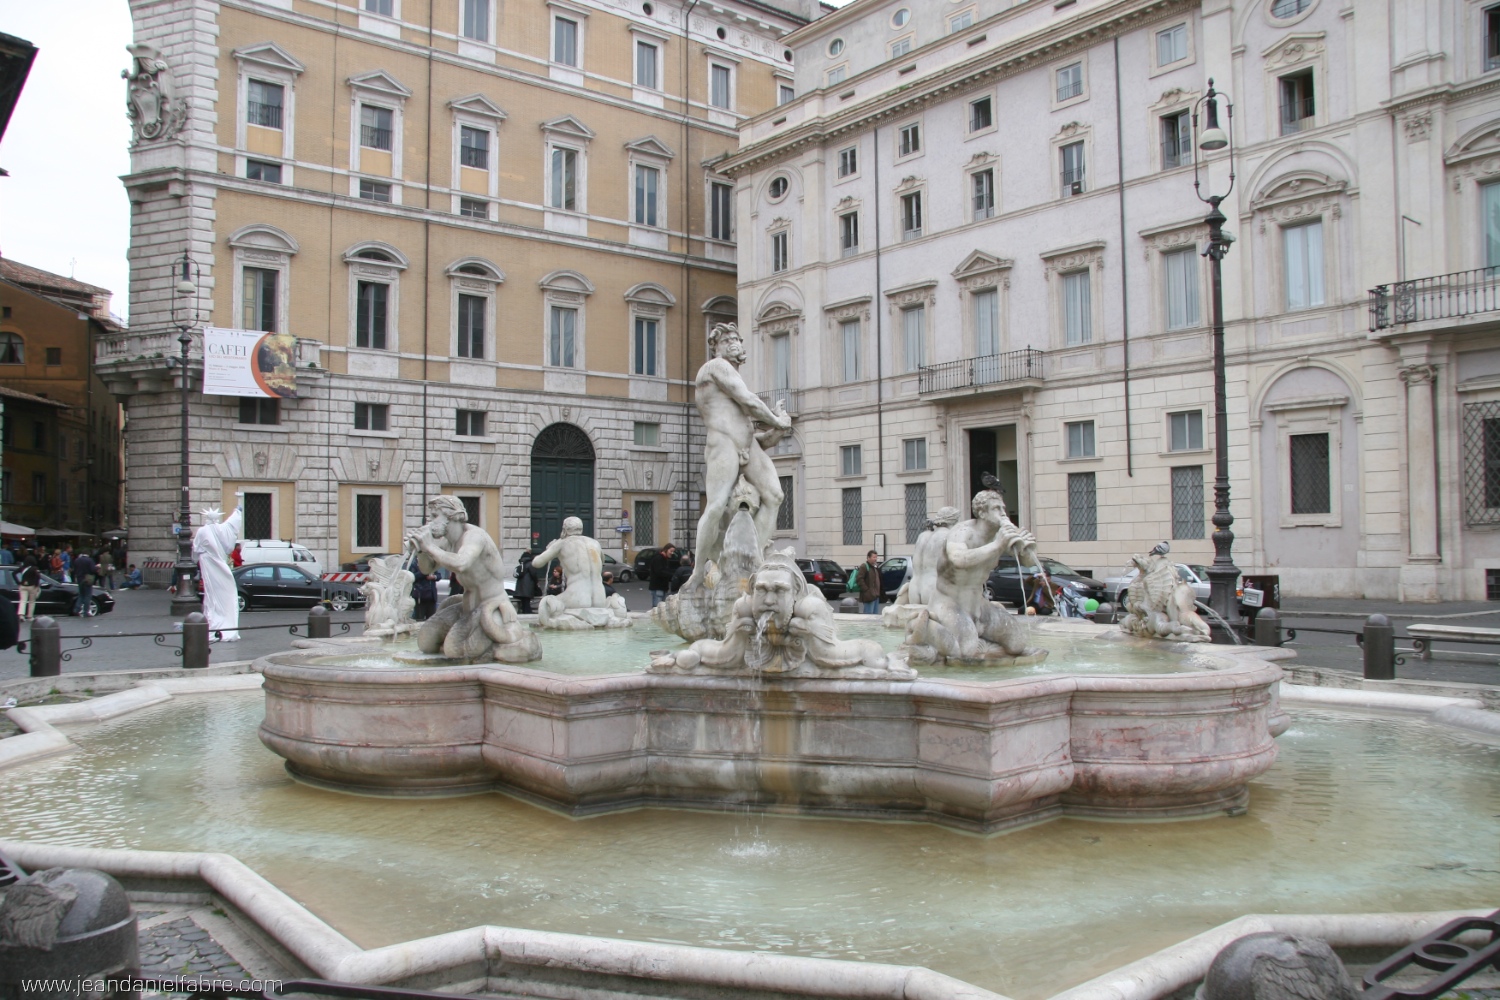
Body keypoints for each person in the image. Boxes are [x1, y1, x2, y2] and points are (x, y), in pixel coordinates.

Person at [684, 323, 793, 591]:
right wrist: (776, 420)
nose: (732, 343)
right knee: (716, 506)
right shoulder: (715, 367)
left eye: (736, 339)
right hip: (723, 442)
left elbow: (759, 435)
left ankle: (754, 560)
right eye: (726, 340)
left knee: (774, 495)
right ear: (716, 348)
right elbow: (748, 400)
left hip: (748, 445)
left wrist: (778, 429)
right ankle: (698, 572)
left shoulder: (733, 374)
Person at [193, 494, 244, 641]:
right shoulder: (221, 529)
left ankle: (215, 623)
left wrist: (195, 560)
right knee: (224, 593)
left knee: (212, 594)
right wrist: (237, 511)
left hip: (209, 564)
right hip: (220, 565)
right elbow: (231, 525)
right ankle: (226, 624)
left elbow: (196, 549)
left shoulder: (202, 531)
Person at [71, 549, 97, 617]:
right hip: (87, 579)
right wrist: (97, 567)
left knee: (81, 595)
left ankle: (76, 610)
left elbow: (74, 570)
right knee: (87, 596)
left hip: (79, 579)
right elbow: (93, 570)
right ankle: (86, 611)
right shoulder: (90, 560)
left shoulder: (77, 560)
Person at [856, 549, 882, 615]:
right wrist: (867, 590)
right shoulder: (864, 566)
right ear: (868, 557)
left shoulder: (874, 567)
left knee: (875, 616)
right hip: (869, 596)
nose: (875, 559)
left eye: (876, 557)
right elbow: (859, 579)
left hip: (876, 595)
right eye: (874, 557)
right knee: (868, 616)